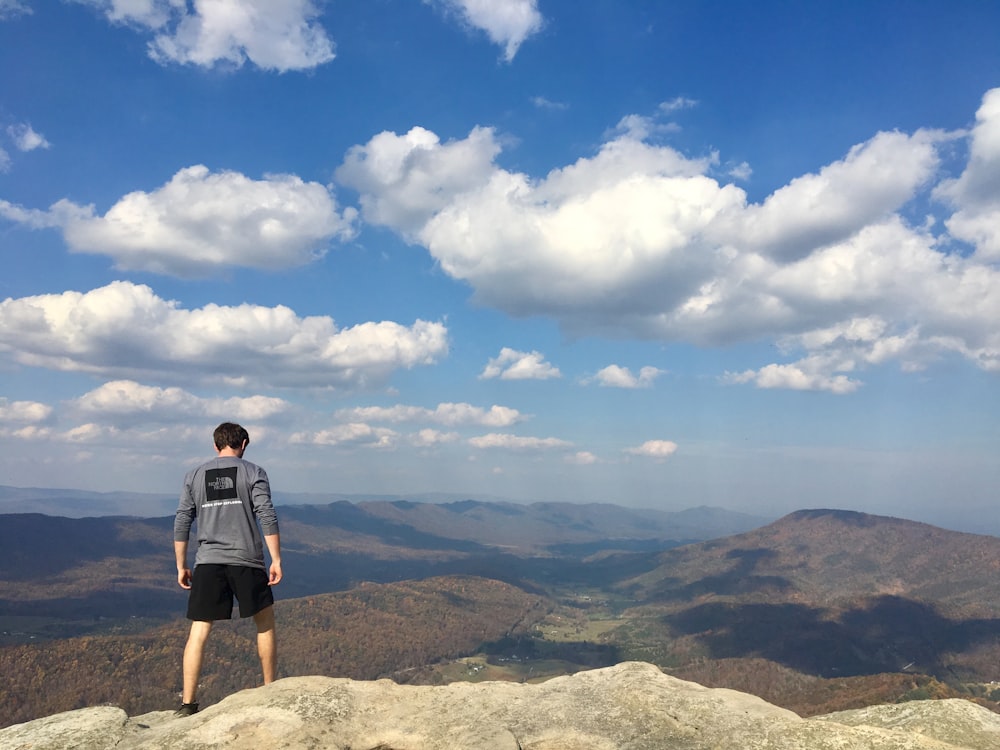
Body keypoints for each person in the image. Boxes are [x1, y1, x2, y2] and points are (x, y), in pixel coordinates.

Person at [173, 422, 283, 717]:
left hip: (208, 561)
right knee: (265, 623)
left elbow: (183, 520)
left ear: (215, 445)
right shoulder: (254, 473)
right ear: (244, 443)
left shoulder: (194, 475)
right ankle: (270, 689)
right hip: (246, 559)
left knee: (199, 630)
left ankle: (188, 703)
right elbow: (266, 515)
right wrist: (276, 559)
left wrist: (181, 564)